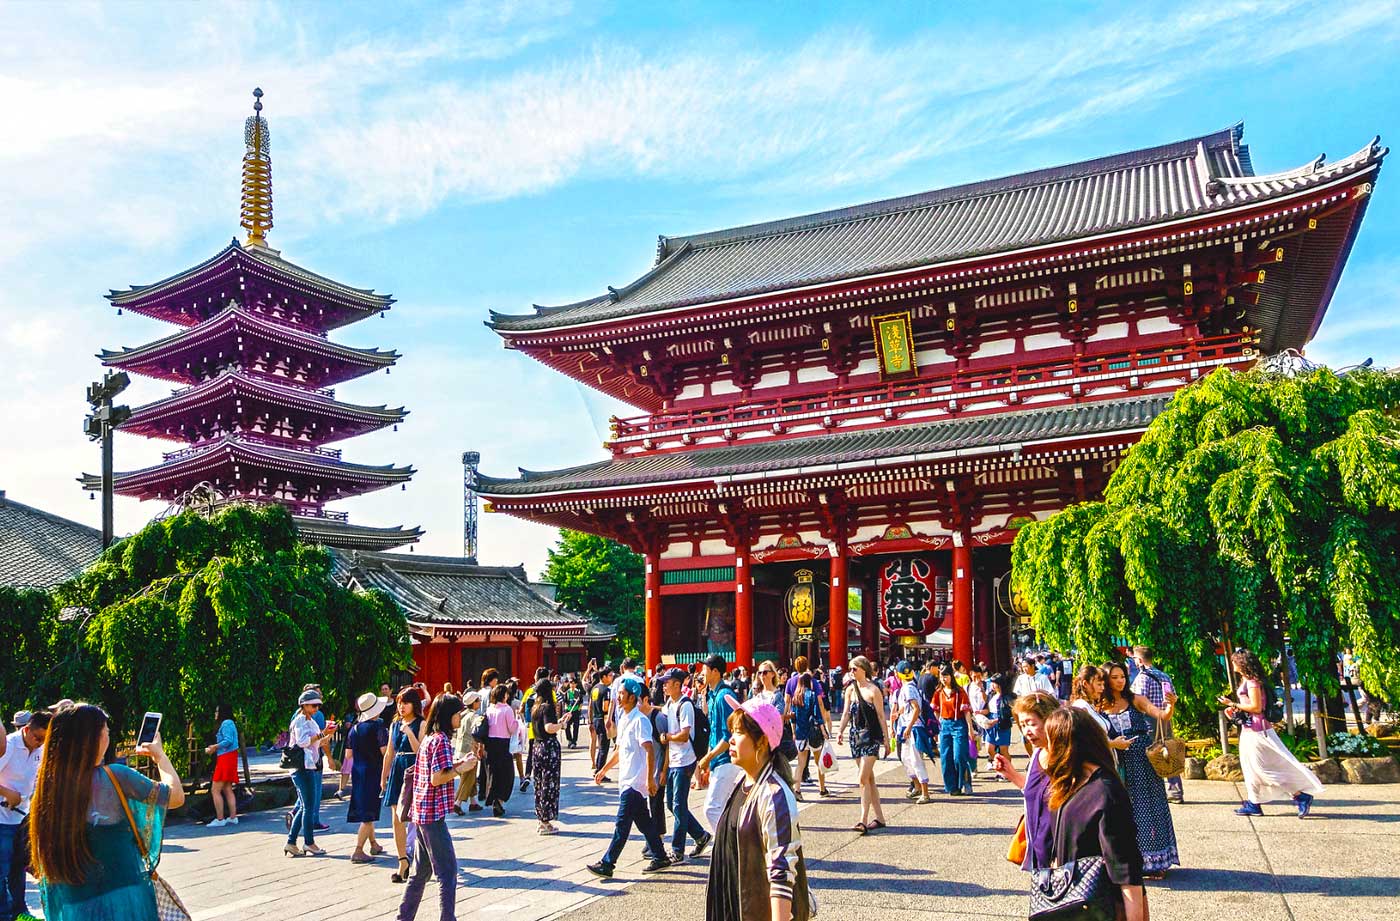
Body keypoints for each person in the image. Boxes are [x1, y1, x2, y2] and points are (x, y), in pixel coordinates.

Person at [31, 703, 186, 920]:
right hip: (124, 898)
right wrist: (159, 756)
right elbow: (176, 797)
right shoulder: (115, 776)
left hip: (73, 905)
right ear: (95, 737)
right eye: (106, 730)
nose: (108, 735)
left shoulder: (47, 787)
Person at [707, 700, 813, 921]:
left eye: (739, 732)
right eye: (731, 732)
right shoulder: (744, 782)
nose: (731, 740)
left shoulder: (774, 794)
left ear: (762, 742)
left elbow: (781, 870)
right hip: (735, 905)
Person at [1039, 707, 1148, 921]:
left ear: (1065, 746)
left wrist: (1135, 917)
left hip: (1102, 906)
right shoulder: (1066, 784)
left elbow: (1125, 866)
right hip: (1071, 901)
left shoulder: (1105, 792)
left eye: (1050, 741)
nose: (1047, 748)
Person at [1099, 661, 1179, 877]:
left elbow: (1161, 715)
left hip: (1142, 760)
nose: (1120, 681)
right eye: (1114, 677)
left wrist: (1170, 705)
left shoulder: (1135, 699)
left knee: (1149, 807)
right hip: (1117, 762)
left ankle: (1156, 861)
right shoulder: (1099, 705)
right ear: (1105, 680)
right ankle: (1129, 859)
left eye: (1122, 676)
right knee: (1123, 810)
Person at [396, 693, 471, 921]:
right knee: (448, 872)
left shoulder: (430, 737)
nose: (460, 718)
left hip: (420, 813)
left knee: (420, 873)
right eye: (458, 714)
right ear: (449, 716)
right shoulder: (441, 741)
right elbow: (437, 778)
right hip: (432, 816)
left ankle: (403, 917)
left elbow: (434, 771)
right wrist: (462, 768)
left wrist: (458, 764)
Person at [587, 678, 671, 878]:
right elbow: (619, 751)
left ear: (632, 697)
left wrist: (650, 779)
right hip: (626, 780)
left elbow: (649, 750)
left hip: (636, 781)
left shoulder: (640, 720)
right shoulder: (624, 719)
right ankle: (660, 856)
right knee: (644, 822)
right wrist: (604, 769)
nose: (618, 696)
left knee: (622, 824)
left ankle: (608, 863)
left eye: (622, 693)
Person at [1225, 649, 1323, 818]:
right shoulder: (1247, 680)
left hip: (1258, 731)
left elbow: (1257, 708)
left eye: (1234, 661)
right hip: (1250, 729)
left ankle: (1301, 796)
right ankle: (1253, 803)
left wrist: (1233, 703)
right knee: (1250, 768)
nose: (1232, 664)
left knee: (1263, 770)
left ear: (1241, 663)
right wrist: (1234, 709)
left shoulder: (1252, 682)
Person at [993, 691, 1060, 872]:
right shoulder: (1037, 753)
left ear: (1051, 720)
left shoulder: (1067, 756)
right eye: (1022, 725)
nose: (1026, 731)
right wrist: (1011, 773)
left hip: (1063, 854)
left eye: (1031, 724)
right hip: (1039, 850)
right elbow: (1035, 793)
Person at [0, 709, 49, 921]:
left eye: (43, 740)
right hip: (2, 817)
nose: (39, 743)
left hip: (22, 816)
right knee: (2, 869)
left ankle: (20, 911)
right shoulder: (8, 745)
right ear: (26, 729)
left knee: (18, 868)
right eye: (37, 738)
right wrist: (6, 792)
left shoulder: (41, 747)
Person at [660, 668, 711, 864]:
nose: (664, 684)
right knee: (672, 805)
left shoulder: (685, 705)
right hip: (673, 760)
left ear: (677, 684)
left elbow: (683, 735)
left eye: (667, 682)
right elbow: (661, 714)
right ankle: (700, 835)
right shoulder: (669, 703)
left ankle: (677, 850)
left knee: (679, 805)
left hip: (685, 760)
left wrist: (667, 738)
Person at [835, 655, 888, 833]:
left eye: (854, 669)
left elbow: (881, 716)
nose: (851, 672)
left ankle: (862, 819)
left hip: (871, 737)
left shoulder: (874, 690)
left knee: (862, 779)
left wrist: (886, 740)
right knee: (869, 778)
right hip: (855, 736)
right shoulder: (850, 690)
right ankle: (879, 817)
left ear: (863, 669)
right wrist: (840, 731)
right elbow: (846, 713)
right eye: (850, 669)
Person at [693, 654, 742, 837]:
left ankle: (728, 846)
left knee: (711, 809)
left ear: (715, 671)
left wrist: (707, 758)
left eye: (705, 669)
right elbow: (714, 733)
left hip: (727, 759)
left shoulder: (724, 696)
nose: (702, 672)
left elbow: (727, 735)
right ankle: (733, 845)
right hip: (719, 761)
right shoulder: (713, 695)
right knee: (725, 808)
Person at [286, 689, 337, 857]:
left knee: (304, 805)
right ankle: (309, 842)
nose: (316, 708)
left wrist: (328, 734)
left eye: (318, 705)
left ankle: (292, 842)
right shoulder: (300, 720)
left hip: (309, 765)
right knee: (308, 806)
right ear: (304, 705)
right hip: (302, 767)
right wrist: (322, 734)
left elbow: (318, 742)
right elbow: (302, 742)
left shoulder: (310, 720)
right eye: (313, 705)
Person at [1131, 646, 1185, 804]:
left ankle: (1154, 790)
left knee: (1152, 753)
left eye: (1135, 658)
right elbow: (1173, 697)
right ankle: (1176, 790)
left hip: (1150, 719)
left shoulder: (1142, 677)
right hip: (1166, 717)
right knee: (1169, 751)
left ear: (1139, 660)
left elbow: (1139, 701)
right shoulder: (1164, 675)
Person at [381, 687, 424, 881]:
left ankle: (421, 857)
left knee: (417, 818)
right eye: (399, 703)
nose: (401, 707)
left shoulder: (422, 724)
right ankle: (402, 861)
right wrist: (384, 777)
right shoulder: (394, 725)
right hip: (398, 769)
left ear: (414, 704)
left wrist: (409, 733)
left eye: (405, 703)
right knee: (396, 818)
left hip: (414, 769)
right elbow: (389, 752)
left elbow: (420, 750)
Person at [346, 693, 390, 863]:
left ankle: (374, 844)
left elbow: (348, 754)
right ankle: (358, 850)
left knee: (366, 810)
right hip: (373, 772)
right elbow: (384, 751)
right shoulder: (378, 726)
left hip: (358, 772)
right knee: (368, 814)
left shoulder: (355, 728)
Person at [892, 660, 933, 803]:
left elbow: (916, 708)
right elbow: (909, 706)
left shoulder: (908, 688)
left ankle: (925, 792)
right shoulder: (909, 687)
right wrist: (899, 714)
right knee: (906, 758)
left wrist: (908, 726)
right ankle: (917, 786)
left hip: (914, 727)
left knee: (915, 760)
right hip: (907, 726)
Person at [790, 673, 831, 800]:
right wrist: (824, 731)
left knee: (800, 764)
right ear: (809, 682)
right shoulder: (812, 695)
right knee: (819, 762)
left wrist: (793, 733)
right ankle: (822, 789)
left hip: (800, 733)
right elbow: (817, 715)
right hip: (813, 733)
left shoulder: (796, 697)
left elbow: (793, 718)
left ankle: (797, 790)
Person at [530, 678, 563, 835]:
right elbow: (549, 727)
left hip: (537, 746)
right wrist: (561, 724)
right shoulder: (548, 707)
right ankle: (545, 820)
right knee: (548, 784)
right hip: (548, 747)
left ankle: (541, 818)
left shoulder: (535, 707)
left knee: (539, 782)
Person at [483, 685, 520, 817]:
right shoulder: (507, 709)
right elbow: (512, 729)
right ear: (503, 695)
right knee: (507, 774)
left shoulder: (489, 709)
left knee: (494, 773)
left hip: (490, 744)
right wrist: (517, 721)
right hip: (503, 744)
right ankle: (500, 799)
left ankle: (493, 798)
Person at [202, 703, 240, 828]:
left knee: (215, 789)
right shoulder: (231, 723)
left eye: (217, 711)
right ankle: (233, 817)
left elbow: (228, 740)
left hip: (226, 757)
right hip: (230, 757)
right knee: (227, 788)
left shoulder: (226, 723)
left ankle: (220, 818)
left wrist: (214, 747)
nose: (215, 714)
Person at [452, 691, 483, 815]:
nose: (479, 703)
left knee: (470, 776)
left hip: (459, 749)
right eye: (478, 701)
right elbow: (477, 734)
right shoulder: (474, 717)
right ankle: (457, 802)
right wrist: (480, 747)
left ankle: (473, 802)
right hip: (470, 750)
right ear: (473, 703)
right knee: (468, 778)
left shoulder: (462, 714)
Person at [589, 668, 616, 779]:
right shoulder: (606, 690)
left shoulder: (594, 688)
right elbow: (606, 707)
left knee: (601, 746)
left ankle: (598, 768)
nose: (612, 677)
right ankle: (599, 771)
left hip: (595, 718)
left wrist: (590, 720)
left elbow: (590, 705)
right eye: (610, 675)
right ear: (604, 676)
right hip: (603, 719)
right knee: (604, 748)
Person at [564, 680, 583, 749]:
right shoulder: (567, 692)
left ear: (576, 684)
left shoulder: (578, 692)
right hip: (569, 711)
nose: (572, 685)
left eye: (573, 683)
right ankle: (569, 740)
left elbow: (581, 702)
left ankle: (574, 741)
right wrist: (567, 711)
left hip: (576, 711)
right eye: (571, 684)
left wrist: (579, 709)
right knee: (567, 726)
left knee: (576, 726)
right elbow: (565, 702)